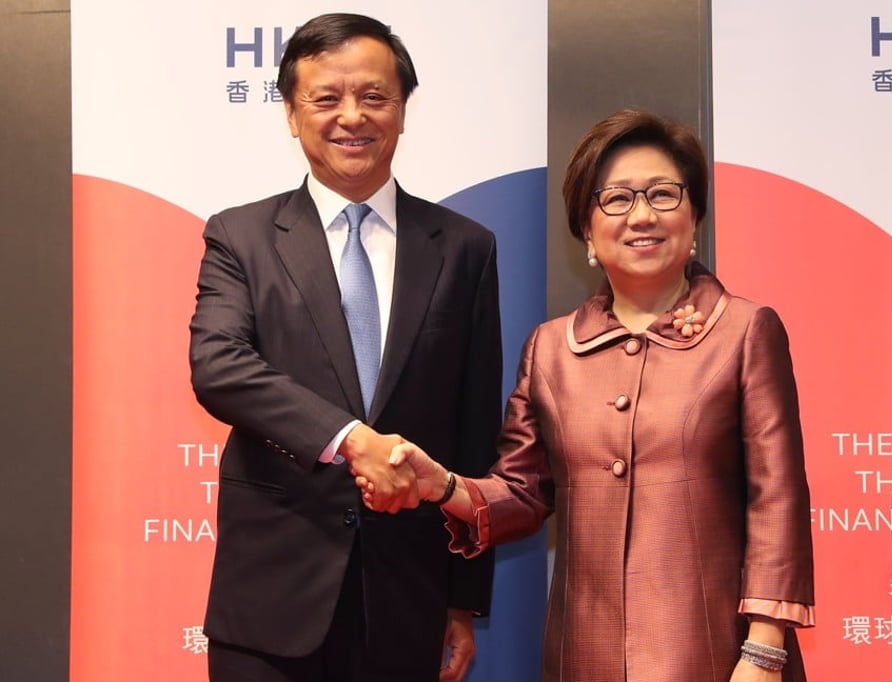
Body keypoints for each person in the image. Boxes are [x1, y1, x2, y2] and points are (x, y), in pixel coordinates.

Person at [364, 109, 815, 682]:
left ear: (695, 215)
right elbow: (523, 494)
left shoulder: (745, 331)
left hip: (717, 656)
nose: (642, 215)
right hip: (584, 656)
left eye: (663, 194)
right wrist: (444, 486)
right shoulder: (551, 349)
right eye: (617, 199)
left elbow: (776, 498)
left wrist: (763, 652)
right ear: (586, 230)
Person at [188, 12, 502, 682]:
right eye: (326, 99)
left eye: (375, 96)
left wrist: (462, 602)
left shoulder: (465, 248)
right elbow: (219, 367)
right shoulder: (240, 237)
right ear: (292, 115)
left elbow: (473, 430)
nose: (352, 116)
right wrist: (351, 438)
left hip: (408, 598)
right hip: (270, 604)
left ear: (403, 109)